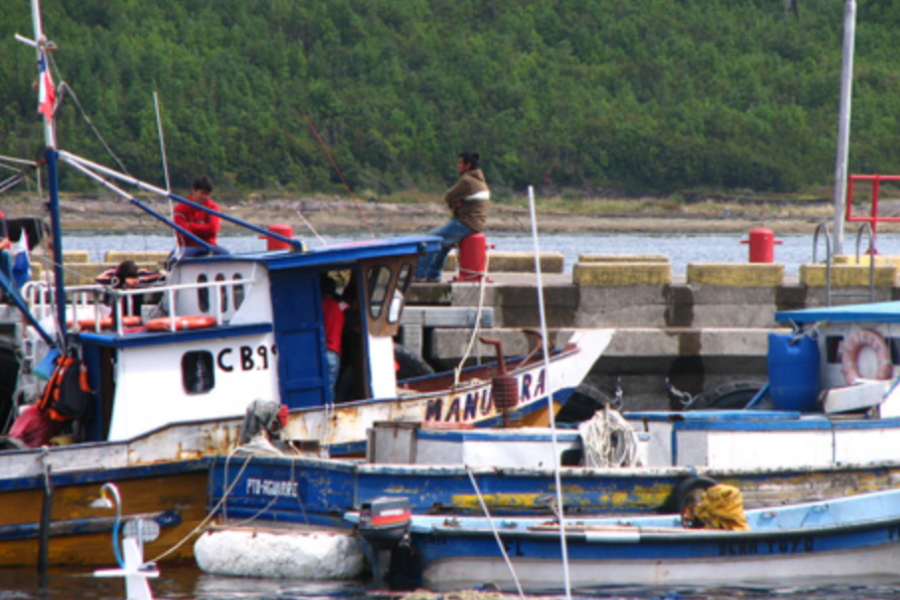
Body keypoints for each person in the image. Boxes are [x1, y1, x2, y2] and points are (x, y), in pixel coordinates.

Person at [414, 151, 490, 283]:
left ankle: (419, 274)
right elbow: (457, 200)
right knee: (444, 244)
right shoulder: (481, 181)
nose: (458, 165)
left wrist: (455, 202)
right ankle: (433, 275)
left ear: (468, 165)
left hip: (466, 223)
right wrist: (457, 202)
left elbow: (448, 196)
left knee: (429, 239)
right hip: (476, 223)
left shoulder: (467, 180)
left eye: (460, 162)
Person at [172, 175, 229, 259]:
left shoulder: (213, 208)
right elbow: (183, 233)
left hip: (209, 246)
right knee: (174, 257)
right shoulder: (181, 208)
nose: (204, 197)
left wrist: (191, 226)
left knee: (227, 255)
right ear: (194, 190)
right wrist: (203, 230)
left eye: (207, 194)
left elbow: (212, 230)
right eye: (202, 193)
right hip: (188, 247)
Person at [321, 275, 345, 400]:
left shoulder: (316, 307)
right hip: (333, 352)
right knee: (330, 388)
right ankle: (329, 414)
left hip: (319, 352)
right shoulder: (340, 306)